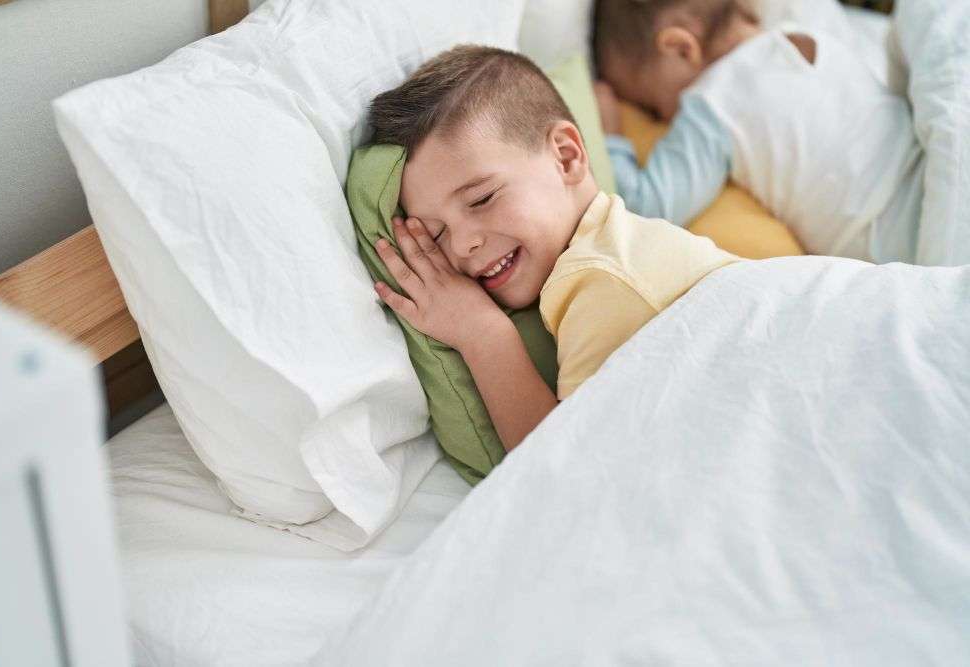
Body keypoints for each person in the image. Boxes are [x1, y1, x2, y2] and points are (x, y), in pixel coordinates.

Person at [366, 44, 739, 451]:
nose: (463, 244)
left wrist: (483, 335)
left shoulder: (601, 278)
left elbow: (561, 466)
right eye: (436, 235)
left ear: (565, 158)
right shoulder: (625, 238)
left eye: (481, 199)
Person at [592, 0, 925, 265]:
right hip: (926, 184)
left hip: (889, 246)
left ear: (680, 48)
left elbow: (647, 209)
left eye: (652, 105)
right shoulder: (808, 36)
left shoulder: (712, 104)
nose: (663, 118)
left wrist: (610, 133)